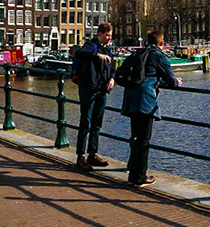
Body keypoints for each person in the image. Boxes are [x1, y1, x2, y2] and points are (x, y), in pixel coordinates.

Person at [118, 30, 183, 186]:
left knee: (135, 137)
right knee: (144, 140)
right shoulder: (159, 56)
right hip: (145, 101)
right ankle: (139, 177)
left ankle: (133, 172)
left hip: (131, 98)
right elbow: (170, 80)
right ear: (161, 43)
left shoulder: (138, 54)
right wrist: (177, 81)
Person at [70, 22, 118, 171]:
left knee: (97, 123)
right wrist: (96, 55)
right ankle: (80, 157)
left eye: (110, 35)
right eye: (107, 35)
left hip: (102, 90)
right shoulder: (91, 46)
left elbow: (113, 68)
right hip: (89, 88)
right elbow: (78, 53)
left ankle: (92, 154)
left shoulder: (108, 51)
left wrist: (112, 78)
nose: (109, 38)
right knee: (86, 122)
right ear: (100, 34)